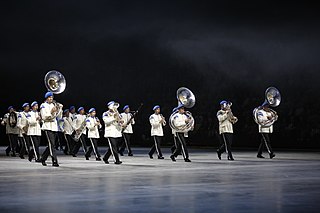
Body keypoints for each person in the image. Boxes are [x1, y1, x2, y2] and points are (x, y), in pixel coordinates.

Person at [40, 91, 62, 167]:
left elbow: (58, 116)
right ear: (46, 98)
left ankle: (43, 158)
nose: (51, 98)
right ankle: (54, 161)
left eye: (52, 97)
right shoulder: (43, 105)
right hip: (47, 127)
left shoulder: (54, 104)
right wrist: (51, 112)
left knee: (51, 145)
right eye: (49, 97)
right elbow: (44, 117)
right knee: (52, 144)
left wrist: (60, 109)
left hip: (54, 127)